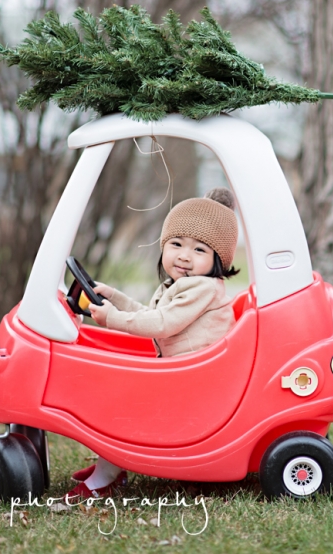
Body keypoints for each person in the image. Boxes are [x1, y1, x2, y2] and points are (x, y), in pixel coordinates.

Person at [66, 187, 240, 500]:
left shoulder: (202, 289)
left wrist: (112, 319)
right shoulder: (181, 285)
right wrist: (115, 299)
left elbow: (162, 324)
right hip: (186, 374)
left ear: (218, 259)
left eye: (200, 250)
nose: (184, 256)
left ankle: (108, 473)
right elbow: (154, 314)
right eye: (176, 244)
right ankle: (111, 466)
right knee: (118, 390)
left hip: (200, 382)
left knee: (121, 399)